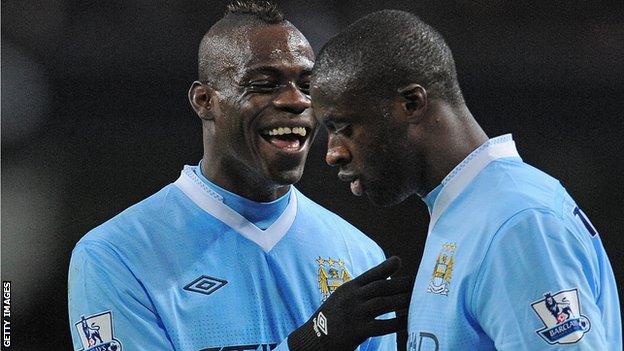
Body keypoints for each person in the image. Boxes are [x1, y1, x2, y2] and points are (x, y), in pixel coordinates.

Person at [67, 2, 411, 351]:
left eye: (309, 87)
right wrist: (311, 344)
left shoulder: (359, 255)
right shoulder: (114, 256)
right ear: (204, 100)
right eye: (264, 84)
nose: (296, 101)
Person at [311, 9, 621, 351]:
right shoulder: (467, 210)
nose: (333, 153)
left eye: (344, 128)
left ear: (411, 103)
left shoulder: (516, 223)